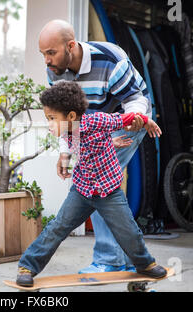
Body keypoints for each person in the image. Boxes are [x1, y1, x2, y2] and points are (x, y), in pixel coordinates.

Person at [16, 81, 165, 287]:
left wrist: (145, 120)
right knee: (58, 227)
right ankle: (27, 266)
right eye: (47, 119)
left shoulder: (97, 120)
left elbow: (122, 118)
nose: (49, 124)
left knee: (128, 231)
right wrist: (109, 143)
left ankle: (144, 264)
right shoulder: (67, 132)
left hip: (108, 190)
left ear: (70, 117)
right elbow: (88, 144)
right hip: (82, 189)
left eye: (52, 119)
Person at [39, 19, 153, 273]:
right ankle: (126, 260)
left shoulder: (110, 59)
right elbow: (64, 119)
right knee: (100, 182)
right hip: (89, 125)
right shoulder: (54, 71)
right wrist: (65, 152)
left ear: (70, 46)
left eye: (51, 53)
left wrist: (136, 120)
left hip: (127, 117)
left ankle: (108, 260)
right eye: (43, 54)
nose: (46, 60)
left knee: (100, 181)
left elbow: (135, 99)